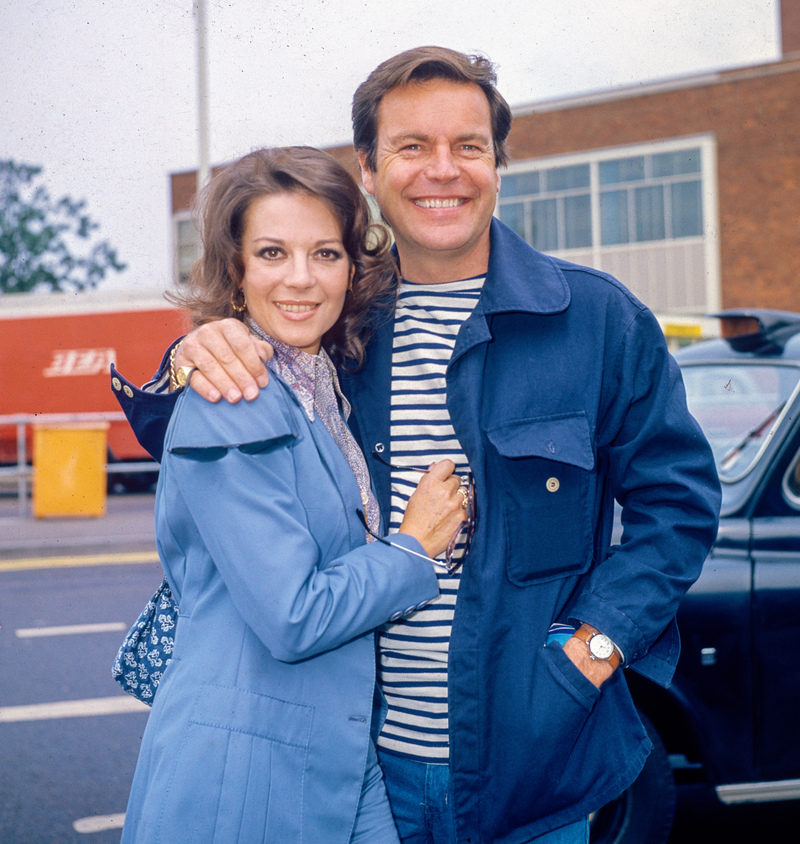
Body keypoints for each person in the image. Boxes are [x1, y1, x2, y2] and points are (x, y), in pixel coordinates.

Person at [112, 48, 721, 844]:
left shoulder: (598, 321)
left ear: (498, 164)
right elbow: (231, 431)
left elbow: (678, 505)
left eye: (468, 146)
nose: (444, 171)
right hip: (360, 770)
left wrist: (596, 645)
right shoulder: (333, 321)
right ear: (367, 169)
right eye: (411, 147)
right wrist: (198, 348)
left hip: (538, 773)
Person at [117, 146, 470, 844]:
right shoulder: (233, 396)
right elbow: (293, 617)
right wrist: (414, 548)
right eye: (273, 253)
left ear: (351, 267)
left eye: (326, 254)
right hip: (244, 775)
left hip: (337, 755)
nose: (302, 280)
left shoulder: (316, 381)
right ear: (236, 269)